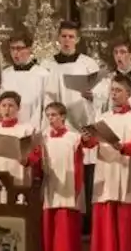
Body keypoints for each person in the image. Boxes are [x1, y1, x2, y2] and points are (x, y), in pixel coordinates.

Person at [81, 73, 131, 251]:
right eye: (112, 90)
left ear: (129, 93)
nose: (114, 94)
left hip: (127, 177)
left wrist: (122, 147)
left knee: (126, 231)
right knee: (104, 231)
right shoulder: (102, 118)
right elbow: (91, 144)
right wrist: (86, 138)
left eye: (118, 90)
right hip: (104, 175)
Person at [25, 101, 85, 251]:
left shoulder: (74, 138)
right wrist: (25, 160)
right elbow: (35, 157)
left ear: (63, 116)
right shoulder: (43, 137)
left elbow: (78, 163)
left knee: (66, 227)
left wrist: (77, 188)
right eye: (48, 116)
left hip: (69, 185)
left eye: (53, 115)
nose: (50, 119)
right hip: (51, 185)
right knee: (50, 226)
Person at [0, 33, 51, 127]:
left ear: (29, 49)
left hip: (33, 129)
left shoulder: (43, 74)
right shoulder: (5, 74)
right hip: (8, 129)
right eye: (12, 48)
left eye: (19, 48)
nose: (15, 53)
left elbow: (47, 107)